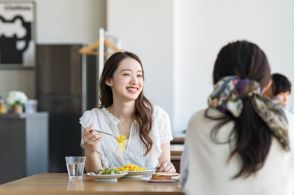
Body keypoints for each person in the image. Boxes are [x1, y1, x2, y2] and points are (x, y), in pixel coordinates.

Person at [180, 40, 294, 195]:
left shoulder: (198, 122)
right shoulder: (288, 123)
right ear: (267, 85)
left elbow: (186, 182)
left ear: (216, 82)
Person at [79, 51, 176, 173]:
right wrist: (91, 151)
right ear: (109, 80)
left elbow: (164, 169)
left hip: (148, 191)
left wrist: (167, 168)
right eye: (126, 74)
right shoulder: (92, 119)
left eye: (139, 75)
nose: (135, 81)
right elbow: (96, 175)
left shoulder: (158, 117)